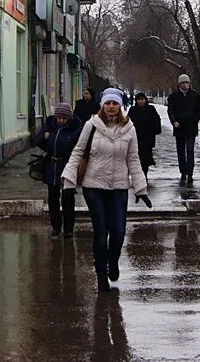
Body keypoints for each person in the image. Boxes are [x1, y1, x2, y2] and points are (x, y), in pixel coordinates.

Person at [63, 88, 152, 292]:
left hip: (119, 186)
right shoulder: (91, 125)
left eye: (115, 103)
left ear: (120, 106)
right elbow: (78, 152)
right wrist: (68, 181)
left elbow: (133, 158)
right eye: (107, 103)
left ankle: (113, 261)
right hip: (93, 185)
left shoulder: (129, 128)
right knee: (101, 232)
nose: (111, 107)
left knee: (119, 231)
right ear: (102, 105)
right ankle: (101, 277)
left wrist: (141, 188)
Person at [35, 101, 83, 238]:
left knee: (68, 198)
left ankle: (68, 228)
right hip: (51, 165)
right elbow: (38, 142)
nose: (61, 120)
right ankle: (56, 226)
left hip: (67, 166)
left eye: (64, 118)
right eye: (59, 117)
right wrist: (44, 138)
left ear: (69, 118)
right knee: (53, 198)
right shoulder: (50, 126)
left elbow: (80, 148)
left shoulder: (76, 130)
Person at [167, 74, 200, 186]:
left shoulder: (195, 95)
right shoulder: (173, 96)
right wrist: (174, 121)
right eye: (183, 83)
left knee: (190, 150)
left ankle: (190, 173)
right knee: (181, 152)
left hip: (191, 128)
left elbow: (199, 110)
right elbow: (171, 111)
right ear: (179, 84)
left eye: (187, 82)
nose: (185, 85)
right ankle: (183, 172)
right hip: (179, 128)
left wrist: (194, 120)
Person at [127, 92, 162, 179]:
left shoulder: (151, 109)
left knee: (146, 156)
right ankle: (138, 173)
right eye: (139, 100)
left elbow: (157, 120)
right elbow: (128, 122)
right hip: (136, 137)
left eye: (142, 99)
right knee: (137, 156)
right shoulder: (133, 110)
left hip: (148, 137)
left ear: (145, 100)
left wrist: (156, 130)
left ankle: (144, 173)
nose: (140, 101)